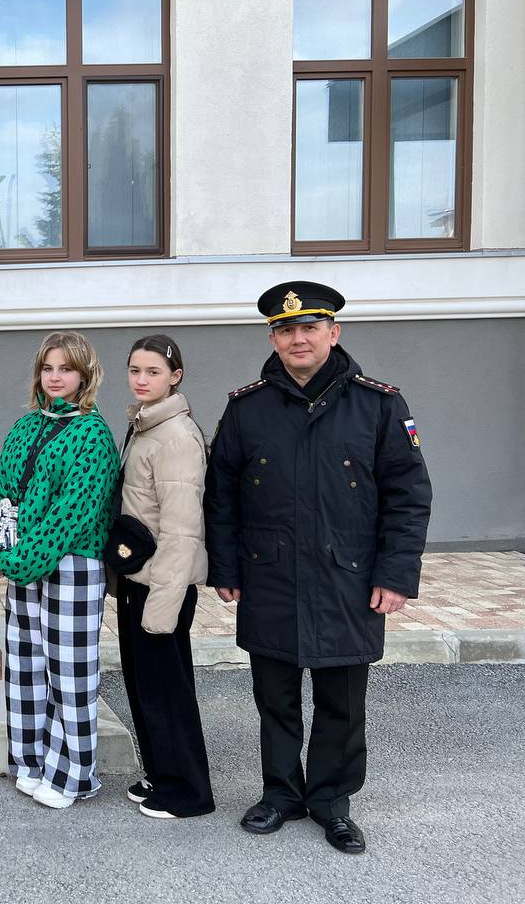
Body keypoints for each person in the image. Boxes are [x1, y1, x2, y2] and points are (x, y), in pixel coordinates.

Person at [204, 282, 432, 854]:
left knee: (341, 701)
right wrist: (225, 567)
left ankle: (331, 801)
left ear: (334, 332)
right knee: (274, 697)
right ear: (273, 339)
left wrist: (396, 574)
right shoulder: (247, 407)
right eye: (285, 329)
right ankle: (280, 794)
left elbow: (409, 495)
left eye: (309, 327)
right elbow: (222, 495)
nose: (297, 338)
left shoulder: (379, 406)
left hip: (348, 580)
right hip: (270, 577)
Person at [0, 331, 120, 809]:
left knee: (69, 673)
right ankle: (31, 761)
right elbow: (1, 490)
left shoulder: (92, 434)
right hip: (24, 565)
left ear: (85, 375)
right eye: (48, 368)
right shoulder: (24, 427)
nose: (55, 377)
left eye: (66, 369)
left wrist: (19, 560)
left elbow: (72, 511)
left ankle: (72, 773)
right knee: (27, 666)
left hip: (72, 565)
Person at [112, 335, 215, 820]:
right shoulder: (144, 425)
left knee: (167, 691)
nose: (142, 379)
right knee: (144, 685)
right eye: (135, 370)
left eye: (152, 371)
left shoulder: (175, 435)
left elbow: (181, 529)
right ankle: (159, 772)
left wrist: (163, 605)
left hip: (162, 586)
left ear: (175, 376)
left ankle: (188, 791)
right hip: (141, 578)